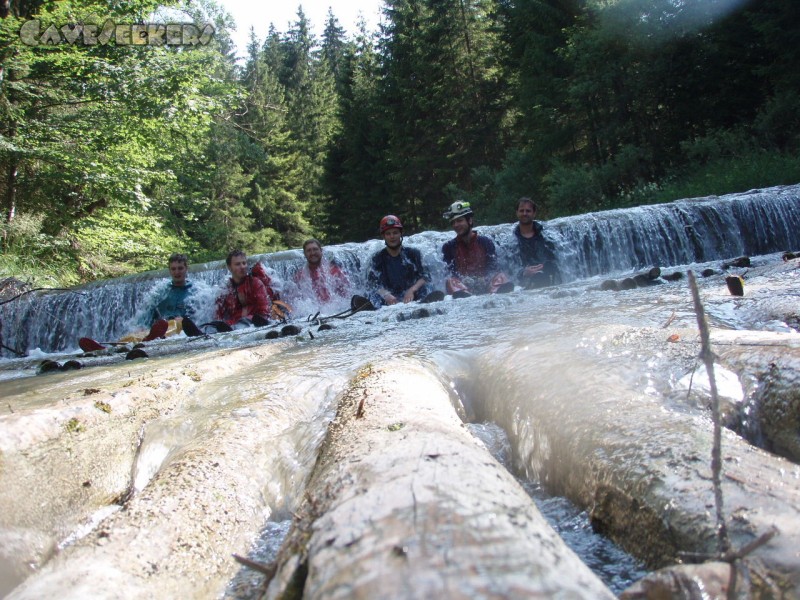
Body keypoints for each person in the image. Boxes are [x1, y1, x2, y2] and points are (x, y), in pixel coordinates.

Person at [365, 215, 440, 307]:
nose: (392, 236)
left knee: (428, 287)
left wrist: (412, 290)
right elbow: (372, 284)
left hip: (411, 296)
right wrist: (385, 294)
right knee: (371, 295)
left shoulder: (413, 254)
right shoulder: (377, 258)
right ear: (383, 236)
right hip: (388, 299)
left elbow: (426, 276)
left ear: (401, 233)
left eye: (395, 233)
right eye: (388, 234)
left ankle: (426, 308)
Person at [441, 201, 512, 296]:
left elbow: (493, 267)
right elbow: (451, 273)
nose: (456, 225)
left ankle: (496, 293)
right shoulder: (448, 247)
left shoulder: (485, 242)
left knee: (501, 276)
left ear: (469, 221)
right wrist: (465, 281)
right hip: (462, 287)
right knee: (451, 281)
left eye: (459, 220)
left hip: (486, 284)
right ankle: (464, 295)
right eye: (453, 222)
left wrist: (483, 279)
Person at [213, 249, 273, 329]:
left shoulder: (255, 283)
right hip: (232, 325)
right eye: (238, 264)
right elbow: (218, 316)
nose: (242, 267)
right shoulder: (225, 289)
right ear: (229, 267)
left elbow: (265, 312)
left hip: (253, 324)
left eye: (244, 263)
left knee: (243, 322)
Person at [513, 197, 560, 289]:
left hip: (548, 279)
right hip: (523, 285)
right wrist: (524, 272)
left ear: (534, 213)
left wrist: (544, 267)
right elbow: (510, 269)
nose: (524, 213)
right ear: (517, 213)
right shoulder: (511, 239)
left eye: (528, 211)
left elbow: (556, 261)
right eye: (521, 211)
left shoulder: (546, 235)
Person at [293, 239, 350, 304]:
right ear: (305, 254)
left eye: (315, 249)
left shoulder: (335, 271)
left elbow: (347, 295)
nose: (312, 253)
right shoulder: (300, 276)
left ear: (321, 251)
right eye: (309, 251)